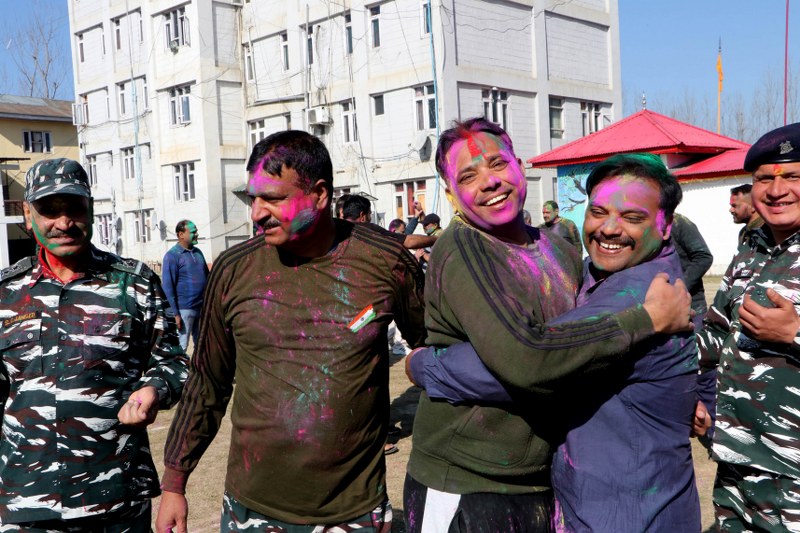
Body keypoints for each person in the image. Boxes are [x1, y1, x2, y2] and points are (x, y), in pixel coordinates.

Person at [402, 118, 694, 532]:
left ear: (520, 167)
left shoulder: (558, 246)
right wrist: (644, 320)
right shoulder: (465, 248)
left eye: (497, 164)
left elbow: (567, 348)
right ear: (450, 193)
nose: (489, 182)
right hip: (468, 478)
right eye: (469, 175)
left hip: (538, 478)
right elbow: (526, 360)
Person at [156, 130, 426, 533]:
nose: (256, 213)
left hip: (355, 513)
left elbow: (434, 347)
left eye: (273, 198)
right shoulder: (233, 271)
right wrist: (175, 483)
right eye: (253, 199)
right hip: (251, 512)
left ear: (319, 194)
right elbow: (207, 383)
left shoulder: (387, 261)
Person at [0, 158, 187, 531]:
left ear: (90, 208)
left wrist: (155, 388)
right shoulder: (5, 294)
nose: (64, 223)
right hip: (25, 502)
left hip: (115, 497)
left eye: (74, 209)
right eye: (49, 211)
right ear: (27, 213)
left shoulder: (134, 285)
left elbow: (173, 361)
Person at [697, 122, 800, 531]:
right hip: (737, 458)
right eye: (763, 180)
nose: (777, 191)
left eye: (793, 176)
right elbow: (714, 333)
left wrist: (793, 333)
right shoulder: (750, 252)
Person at [161, 220, 209, 351]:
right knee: (182, 346)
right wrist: (175, 314)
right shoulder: (172, 256)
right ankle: (182, 371)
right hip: (184, 310)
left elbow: (208, 278)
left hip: (202, 308)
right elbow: (167, 287)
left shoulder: (198, 253)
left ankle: (199, 371)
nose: (197, 234)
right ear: (181, 234)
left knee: (203, 345)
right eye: (193, 232)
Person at [670, 212, 713, 328]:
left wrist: (679, 287)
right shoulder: (640, 225)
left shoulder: (677, 222)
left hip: (690, 304)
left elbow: (704, 257)